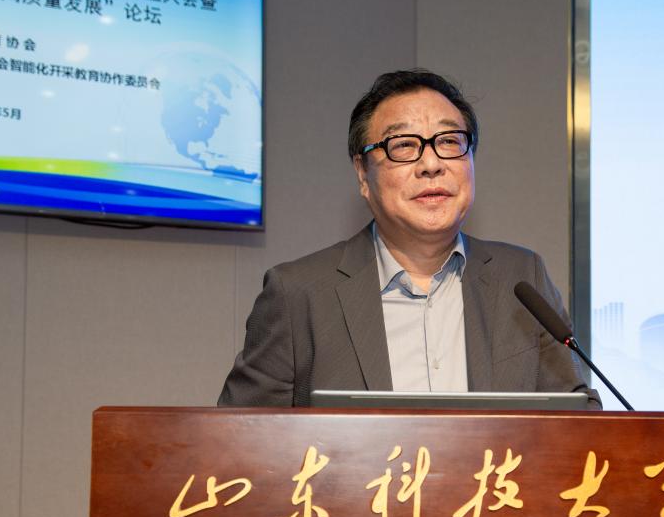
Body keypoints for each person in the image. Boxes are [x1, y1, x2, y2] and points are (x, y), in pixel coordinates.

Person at [218, 69, 600, 408]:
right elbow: (240, 440)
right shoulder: (298, 295)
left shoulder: (522, 278)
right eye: (403, 145)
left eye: (449, 141)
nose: (431, 164)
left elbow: (579, 423)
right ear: (362, 174)